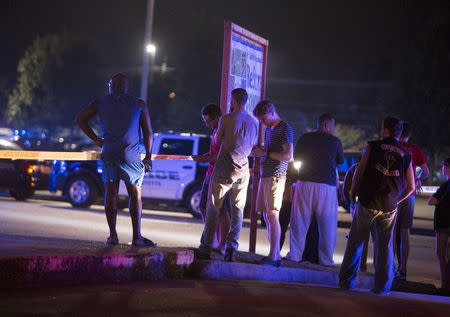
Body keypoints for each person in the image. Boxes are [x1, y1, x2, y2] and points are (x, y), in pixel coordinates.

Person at [76, 73, 156, 247]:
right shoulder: (139, 104)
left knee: (110, 195)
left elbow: (80, 119)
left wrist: (97, 140)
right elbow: (148, 133)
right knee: (135, 196)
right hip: (131, 156)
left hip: (109, 153)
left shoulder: (100, 102)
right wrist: (149, 156)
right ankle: (137, 237)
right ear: (126, 87)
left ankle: (113, 236)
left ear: (110, 86)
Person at [339, 116, 415, 295]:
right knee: (384, 248)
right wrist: (397, 200)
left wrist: (352, 194)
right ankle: (382, 287)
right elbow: (411, 187)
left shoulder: (372, 146)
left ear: (385, 130)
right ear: (400, 133)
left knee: (356, 242)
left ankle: (346, 283)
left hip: (368, 202)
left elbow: (360, 172)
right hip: (389, 206)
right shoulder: (406, 155)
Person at [197, 88, 258, 261]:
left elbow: (217, 140)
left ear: (233, 100)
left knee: (213, 207)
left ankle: (206, 246)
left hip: (224, 168)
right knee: (237, 210)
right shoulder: (253, 122)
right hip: (243, 170)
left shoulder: (227, 119)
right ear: (245, 101)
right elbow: (252, 146)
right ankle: (231, 247)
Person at [286, 114, 344, 266]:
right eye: (332, 126)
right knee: (328, 225)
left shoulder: (305, 138)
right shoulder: (335, 141)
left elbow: (296, 157)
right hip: (327, 186)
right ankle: (326, 260)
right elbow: (340, 161)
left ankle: (295, 255)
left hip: (305, 183)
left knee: (299, 221)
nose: (333, 129)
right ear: (326, 125)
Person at [252, 100, 294, 267]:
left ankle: (275, 255)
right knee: (267, 215)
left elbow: (289, 156)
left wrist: (265, 153)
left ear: (270, 112)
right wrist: (261, 151)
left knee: (272, 214)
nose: (262, 122)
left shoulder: (285, 128)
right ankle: (273, 253)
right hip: (266, 174)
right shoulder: (269, 128)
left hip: (276, 176)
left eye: (263, 118)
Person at [192, 104, 230, 254]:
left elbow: (221, 156)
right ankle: (212, 236)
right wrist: (205, 157)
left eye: (209, 121)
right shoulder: (216, 131)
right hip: (210, 172)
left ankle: (222, 243)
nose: (207, 125)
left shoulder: (225, 132)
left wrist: (204, 159)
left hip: (222, 174)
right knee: (202, 206)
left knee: (222, 211)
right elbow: (213, 152)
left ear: (217, 118)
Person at [394, 122, 429, 280]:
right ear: (410, 134)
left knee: (391, 232)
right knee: (405, 232)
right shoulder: (415, 149)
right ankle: (403, 269)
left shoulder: (392, 146)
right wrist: (418, 179)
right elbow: (426, 171)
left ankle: (391, 266)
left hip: (394, 194)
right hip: (409, 194)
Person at [428, 158, 450, 295]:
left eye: (443, 166)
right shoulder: (446, 184)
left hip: (444, 224)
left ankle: (445, 286)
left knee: (441, 254)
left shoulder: (446, 185)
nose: (442, 169)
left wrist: (438, 202)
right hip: (444, 224)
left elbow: (433, 200)